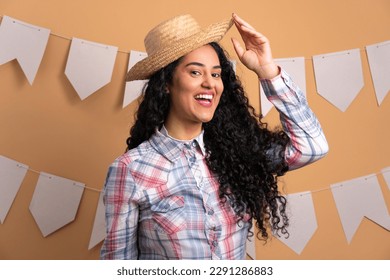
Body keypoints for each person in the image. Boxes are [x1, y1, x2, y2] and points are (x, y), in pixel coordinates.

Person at [100, 13, 328, 260]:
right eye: (196, 73)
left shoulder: (236, 151)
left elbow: (312, 147)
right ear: (167, 83)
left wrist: (268, 72)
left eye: (216, 74)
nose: (210, 84)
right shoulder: (130, 170)